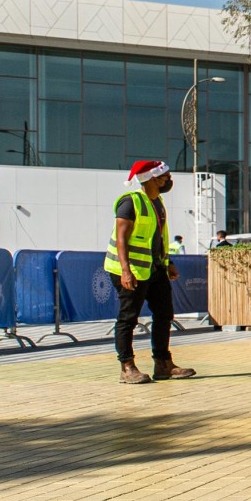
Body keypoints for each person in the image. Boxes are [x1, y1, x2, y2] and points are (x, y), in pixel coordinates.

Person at [107, 159, 197, 385]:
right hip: (128, 270)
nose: (169, 180)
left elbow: (157, 239)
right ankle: (127, 367)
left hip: (154, 268)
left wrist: (168, 263)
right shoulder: (130, 202)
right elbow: (121, 239)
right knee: (128, 318)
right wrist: (126, 271)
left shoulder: (158, 203)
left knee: (164, 314)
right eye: (165, 177)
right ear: (151, 179)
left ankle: (163, 364)